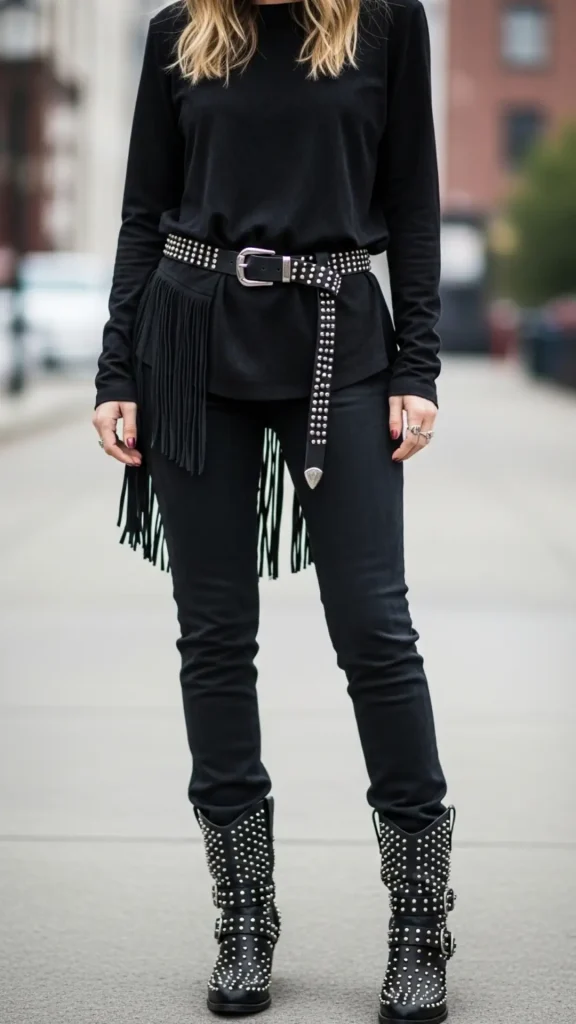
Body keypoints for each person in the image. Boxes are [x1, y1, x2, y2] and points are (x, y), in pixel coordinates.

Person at [93, 0, 457, 1019]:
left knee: (376, 630)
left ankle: (420, 921)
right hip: (188, 342)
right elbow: (143, 211)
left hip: (340, 341)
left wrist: (419, 365)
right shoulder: (180, 30)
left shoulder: (386, 23)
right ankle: (244, 916)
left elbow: (414, 203)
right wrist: (116, 370)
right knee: (213, 637)